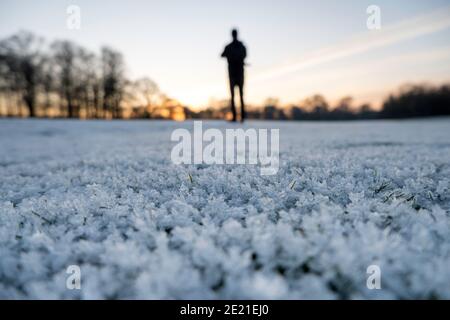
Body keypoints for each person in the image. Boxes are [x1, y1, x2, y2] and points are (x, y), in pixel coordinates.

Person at [221, 29, 247, 122]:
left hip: (235, 73)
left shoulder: (234, 46)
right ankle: (239, 117)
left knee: (237, 95)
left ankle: (239, 117)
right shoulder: (238, 46)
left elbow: (244, 55)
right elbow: (222, 55)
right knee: (238, 95)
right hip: (236, 73)